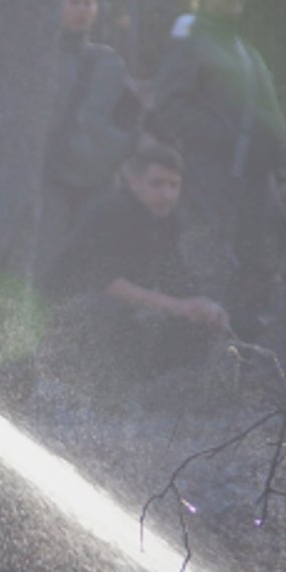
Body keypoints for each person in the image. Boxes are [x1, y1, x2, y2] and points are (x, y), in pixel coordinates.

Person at [151, 0, 286, 340]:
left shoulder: (244, 49)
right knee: (210, 271)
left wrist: (278, 145)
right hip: (210, 182)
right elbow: (168, 106)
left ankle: (241, 359)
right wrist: (226, 140)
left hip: (253, 182)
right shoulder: (192, 43)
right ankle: (202, 368)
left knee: (254, 268)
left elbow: (269, 113)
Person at [46, 139, 230, 395]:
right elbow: (104, 281)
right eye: (157, 184)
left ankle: (141, 389)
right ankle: (91, 390)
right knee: (110, 312)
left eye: (173, 185)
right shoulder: (111, 212)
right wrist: (175, 305)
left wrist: (203, 306)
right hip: (66, 308)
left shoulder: (167, 222)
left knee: (197, 323)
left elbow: (176, 278)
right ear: (134, 183)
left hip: (120, 306)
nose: (166, 194)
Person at [39, 0, 142, 272]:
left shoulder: (109, 62)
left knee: (98, 261)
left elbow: (132, 115)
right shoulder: (39, 59)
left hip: (98, 181)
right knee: (48, 257)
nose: (82, 9)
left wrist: (117, 150)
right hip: (52, 179)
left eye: (89, 2)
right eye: (74, 2)